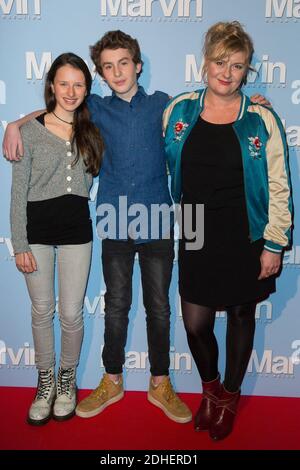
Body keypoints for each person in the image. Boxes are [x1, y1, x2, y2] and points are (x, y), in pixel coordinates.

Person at [3, 30, 270, 426]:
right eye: (108, 67)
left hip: (159, 220)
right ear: (101, 75)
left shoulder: (165, 105)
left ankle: (160, 382)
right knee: (116, 306)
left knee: (159, 308)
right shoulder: (92, 106)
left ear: (138, 66)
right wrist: (14, 124)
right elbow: (54, 111)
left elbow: (216, 104)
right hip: (114, 218)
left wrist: (254, 106)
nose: (117, 71)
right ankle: (112, 380)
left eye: (123, 63)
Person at [163, 21, 292, 440]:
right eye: (220, 62)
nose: (227, 72)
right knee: (196, 323)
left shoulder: (261, 119)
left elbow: (278, 183)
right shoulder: (177, 111)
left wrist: (274, 243)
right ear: (205, 63)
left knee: (241, 315)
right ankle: (211, 390)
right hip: (197, 226)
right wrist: (23, 122)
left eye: (237, 66)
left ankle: (229, 399)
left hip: (246, 231)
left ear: (246, 71)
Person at [10, 52, 103, 425]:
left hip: (77, 232)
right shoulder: (29, 131)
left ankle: (67, 381)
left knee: (70, 313)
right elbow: (18, 193)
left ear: (86, 89)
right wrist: (20, 244)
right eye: (63, 83)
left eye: (78, 84)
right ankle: (44, 381)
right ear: (51, 86)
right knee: (41, 310)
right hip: (36, 233)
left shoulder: (92, 131)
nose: (70, 90)